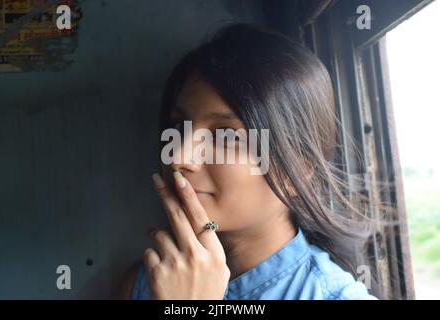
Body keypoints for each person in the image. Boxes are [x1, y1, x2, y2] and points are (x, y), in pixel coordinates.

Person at [118, 23, 378, 300]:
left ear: (297, 172)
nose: (179, 157)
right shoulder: (147, 283)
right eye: (179, 127)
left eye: (227, 136)